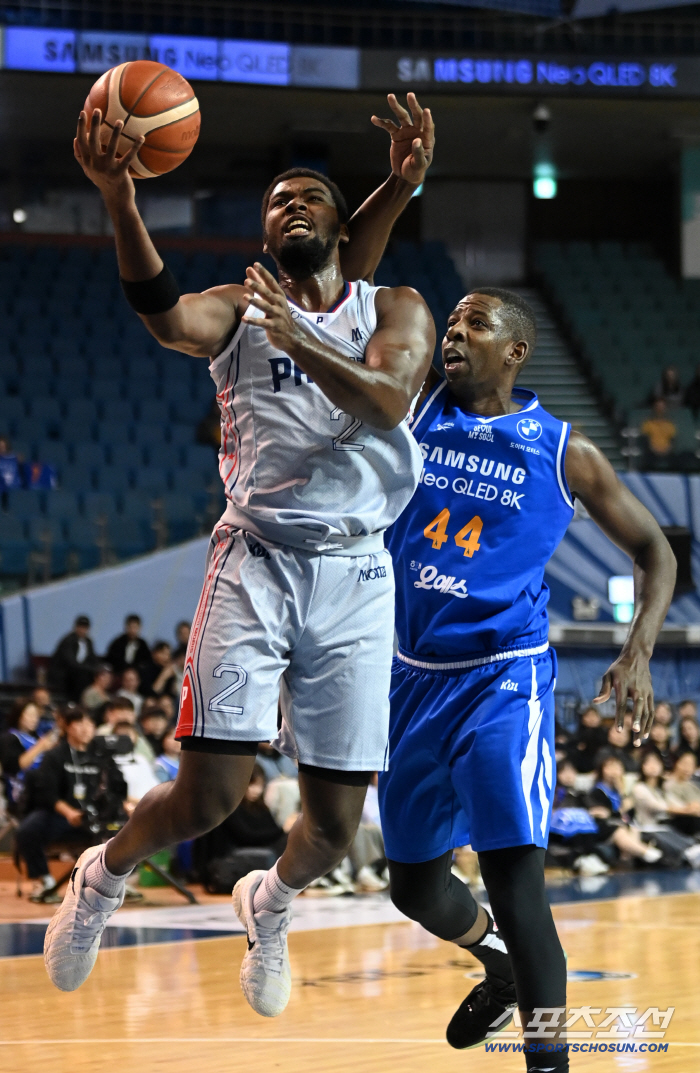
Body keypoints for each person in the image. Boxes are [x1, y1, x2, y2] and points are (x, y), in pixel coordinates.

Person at [45, 90, 436, 1012]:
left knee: (336, 826)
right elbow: (166, 320)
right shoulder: (236, 307)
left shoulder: (399, 306)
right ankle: (100, 876)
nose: (288, 206)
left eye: (307, 196)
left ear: (345, 225)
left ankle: (272, 898)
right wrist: (120, 202)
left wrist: (306, 317)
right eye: (274, 201)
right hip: (256, 560)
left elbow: (384, 400)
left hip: (357, 573)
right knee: (207, 797)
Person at [374, 283, 676, 1070]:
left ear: (514, 351)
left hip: (503, 678)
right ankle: (495, 961)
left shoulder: (563, 448)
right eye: (452, 321)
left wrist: (637, 648)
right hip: (409, 676)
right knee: (412, 888)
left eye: (476, 323)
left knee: (518, 885)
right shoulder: (415, 408)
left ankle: (550, 1064)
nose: (454, 332)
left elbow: (657, 552)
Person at [15, 707, 127, 901]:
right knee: (27, 830)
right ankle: (45, 881)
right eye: (79, 723)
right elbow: (47, 794)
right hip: (61, 815)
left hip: (97, 815)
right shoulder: (55, 756)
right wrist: (69, 813)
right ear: (67, 727)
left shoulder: (101, 755)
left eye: (90, 724)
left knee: (129, 830)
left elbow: (117, 787)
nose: (86, 728)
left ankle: (118, 881)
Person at [0, 698, 59, 816]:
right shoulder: (11, 738)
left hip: (42, 790)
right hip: (21, 795)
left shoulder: (36, 738)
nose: (34, 719)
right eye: (30, 715)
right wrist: (40, 747)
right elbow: (14, 767)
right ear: (19, 715)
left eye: (36, 715)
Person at [48, 615, 99, 701]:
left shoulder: (88, 642)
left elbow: (93, 659)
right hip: (64, 674)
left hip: (80, 673)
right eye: (80, 627)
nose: (82, 630)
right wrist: (88, 668)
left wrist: (96, 668)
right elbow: (71, 662)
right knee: (81, 677)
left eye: (85, 627)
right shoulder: (68, 641)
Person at [664, 751, 700, 836]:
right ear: (677, 763)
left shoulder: (692, 786)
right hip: (680, 820)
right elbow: (674, 807)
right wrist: (691, 808)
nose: (687, 768)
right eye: (685, 763)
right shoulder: (668, 784)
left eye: (691, 765)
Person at [640, 398, 677, 467]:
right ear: (654, 408)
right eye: (658, 407)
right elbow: (645, 440)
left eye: (662, 407)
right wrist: (654, 450)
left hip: (667, 452)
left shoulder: (670, 424)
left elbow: (672, 440)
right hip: (651, 452)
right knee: (647, 458)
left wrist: (667, 450)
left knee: (676, 459)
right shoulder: (648, 423)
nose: (660, 409)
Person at [571, 705, 607, 772]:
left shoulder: (605, 734)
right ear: (583, 719)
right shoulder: (578, 735)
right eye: (588, 716)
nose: (591, 719)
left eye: (594, 716)